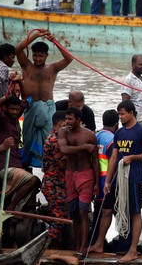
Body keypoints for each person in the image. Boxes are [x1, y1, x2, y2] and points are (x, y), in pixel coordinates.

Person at [102, 100, 142, 263]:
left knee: (135, 212)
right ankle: (100, 243)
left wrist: (133, 157)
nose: (120, 117)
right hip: (118, 178)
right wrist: (107, 180)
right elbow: (113, 158)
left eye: (123, 114)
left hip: (133, 179)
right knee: (108, 209)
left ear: (131, 113)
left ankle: (133, 249)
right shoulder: (119, 133)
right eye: (119, 114)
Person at [15, 30, 72, 167]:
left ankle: (46, 168)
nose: (37, 58)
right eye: (35, 55)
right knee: (27, 140)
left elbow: (69, 58)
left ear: (46, 55)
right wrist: (36, 35)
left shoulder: (52, 68)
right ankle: (26, 168)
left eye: (41, 56)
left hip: (48, 109)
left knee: (49, 141)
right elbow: (18, 49)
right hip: (31, 107)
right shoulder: (27, 66)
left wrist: (54, 41)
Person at [58, 107, 98, 258]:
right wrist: (84, 147)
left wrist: (96, 183)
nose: (67, 122)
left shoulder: (89, 135)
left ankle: (83, 247)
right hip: (70, 175)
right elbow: (64, 149)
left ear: (79, 120)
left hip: (86, 175)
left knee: (83, 211)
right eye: (66, 119)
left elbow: (95, 161)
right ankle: (76, 246)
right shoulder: (63, 132)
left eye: (70, 119)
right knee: (73, 212)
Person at [0, 95, 39, 210]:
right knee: (33, 180)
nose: (14, 112)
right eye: (11, 109)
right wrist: (4, 98)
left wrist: (19, 83)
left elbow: (26, 100)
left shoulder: (15, 117)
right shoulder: (1, 119)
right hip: (4, 165)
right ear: (5, 108)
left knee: (36, 184)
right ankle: (12, 207)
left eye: (17, 109)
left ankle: (15, 207)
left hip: (16, 163)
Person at [90, 109, 118, 254]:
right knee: (106, 213)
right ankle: (102, 243)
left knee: (98, 214)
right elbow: (113, 161)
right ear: (117, 123)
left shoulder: (97, 135)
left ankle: (95, 242)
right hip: (107, 181)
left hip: (97, 180)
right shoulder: (112, 140)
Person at [42, 111, 68, 247]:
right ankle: (47, 248)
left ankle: (53, 245)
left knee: (59, 217)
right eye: (66, 122)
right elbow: (63, 163)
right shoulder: (55, 140)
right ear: (61, 123)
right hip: (54, 185)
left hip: (55, 183)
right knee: (60, 218)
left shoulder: (55, 137)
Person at [120, 54, 142, 131]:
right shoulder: (128, 80)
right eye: (141, 64)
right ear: (133, 65)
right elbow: (125, 103)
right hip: (138, 120)